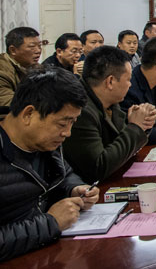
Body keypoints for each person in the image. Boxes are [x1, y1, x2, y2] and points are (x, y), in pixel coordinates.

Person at [0, 67, 99, 262]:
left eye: (72, 123)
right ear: (28, 114)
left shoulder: (43, 142)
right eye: (62, 124)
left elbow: (65, 174)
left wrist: (74, 188)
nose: (67, 133)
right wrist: (50, 223)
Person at [62, 46, 156, 183]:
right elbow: (98, 167)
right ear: (110, 81)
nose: (130, 85)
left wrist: (143, 125)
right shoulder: (80, 110)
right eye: (128, 80)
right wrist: (135, 127)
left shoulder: (110, 102)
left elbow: (121, 147)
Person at [0, 27, 42, 107]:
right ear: (13, 50)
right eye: (32, 47)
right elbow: (9, 102)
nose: (38, 51)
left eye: (40, 46)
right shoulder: (2, 71)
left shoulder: (36, 67)